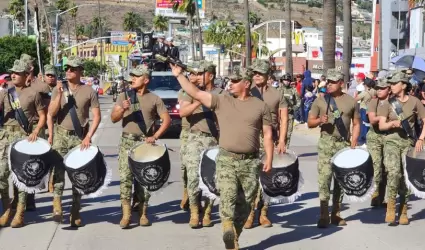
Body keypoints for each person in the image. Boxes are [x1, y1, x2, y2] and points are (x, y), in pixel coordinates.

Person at [170, 63, 273, 249]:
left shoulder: (261, 106)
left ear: (247, 83)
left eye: (235, 81)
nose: (230, 84)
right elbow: (196, 93)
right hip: (226, 159)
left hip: (250, 162)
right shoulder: (222, 100)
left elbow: (267, 134)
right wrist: (179, 76)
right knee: (228, 196)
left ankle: (234, 234)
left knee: (247, 203)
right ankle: (227, 227)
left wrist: (270, 159)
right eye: (230, 80)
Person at [111, 64, 171, 228]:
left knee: (144, 180)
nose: (132, 79)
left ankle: (143, 213)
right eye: (132, 76)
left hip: (144, 143)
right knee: (125, 178)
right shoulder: (124, 95)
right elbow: (113, 118)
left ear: (146, 80)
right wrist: (122, 109)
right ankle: (126, 215)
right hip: (126, 142)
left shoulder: (154, 99)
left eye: (136, 77)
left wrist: (155, 136)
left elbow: (166, 120)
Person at [47, 56, 101, 226]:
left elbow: (97, 116)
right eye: (67, 68)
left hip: (79, 137)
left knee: (79, 176)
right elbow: (52, 112)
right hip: (61, 134)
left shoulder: (89, 91)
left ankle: (75, 211)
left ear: (80, 71)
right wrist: (59, 95)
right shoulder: (58, 89)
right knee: (58, 172)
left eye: (72, 68)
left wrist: (88, 136)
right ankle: (57, 205)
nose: (68, 71)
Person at [307, 68, 360, 228]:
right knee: (324, 178)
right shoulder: (320, 101)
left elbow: (356, 124)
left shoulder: (351, 101)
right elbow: (310, 123)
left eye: (332, 82)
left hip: (342, 144)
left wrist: (354, 141)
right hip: (326, 143)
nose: (328, 84)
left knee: (340, 180)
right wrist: (320, 121)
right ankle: (323, 213)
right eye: (327, 81)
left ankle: (336, 213)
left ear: (341, 83)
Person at [0, 59, 46, 228]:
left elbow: (42, 116)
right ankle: (7, 209)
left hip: (22, 139)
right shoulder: (6, 92)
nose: (13, 75)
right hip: (5, 138)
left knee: (21, 178)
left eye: (17, 73)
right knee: (2, 175)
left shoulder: (33, 93)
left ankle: (19, 213)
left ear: (26, 75)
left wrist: (35, 131)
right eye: (12, 72)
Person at [243, 59, 288, 229]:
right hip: (251, 137)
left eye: (259, 73)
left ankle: (263, 213)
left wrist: (282, 140)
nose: (256, 76)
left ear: (267, 75)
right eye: (254, 73)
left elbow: (284, 118)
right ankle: (249, 213)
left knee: (267, 177)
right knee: (251, 177)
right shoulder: (247, 91)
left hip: (271, 138)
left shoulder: (277, 94)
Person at [377, 71, 425, 225]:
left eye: (394, 83)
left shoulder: (415, 101)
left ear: (403, 85)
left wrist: (421, 139)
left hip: (408, 142)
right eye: (390, 84)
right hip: (391, 140)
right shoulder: (387, 103)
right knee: (393, 172)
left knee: (406, 176)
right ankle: (391, 207)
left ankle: (403, 210)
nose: (391, 86)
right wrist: (392, 124)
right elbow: (382, 125)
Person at [180, 60, 223, 228]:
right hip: (194, 138)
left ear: (210, 75)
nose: (196, 76)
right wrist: (200, 99)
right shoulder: (191, 92)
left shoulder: (222, 93)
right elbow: (183, 112)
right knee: (192, 177)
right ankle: (194, 212)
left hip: (214, 140)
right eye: (196, 74)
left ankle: (208, 212)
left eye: (200, 73)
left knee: (211, 178)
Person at [366, 78, 390, 207]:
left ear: (389, 89)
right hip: (375, 137)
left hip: (389, 137)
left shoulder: (393, 103)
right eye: (378, 88)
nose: (379, 91)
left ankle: (382, 196)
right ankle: (375, 194)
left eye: (382, 88)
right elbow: (372, 120)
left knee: (386, 168)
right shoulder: (373, 102)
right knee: (376, 167)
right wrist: (385, 119)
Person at [178, 66, 199, 211]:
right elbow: (184, 111)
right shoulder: (184, 91)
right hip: (187, 131)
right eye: (190, 74)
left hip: (207, 132)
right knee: (186, 167)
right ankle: (187, 191)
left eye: (195, 74)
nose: (192, 76)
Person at [279, 73, 301, 147]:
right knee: (279, 133)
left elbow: (298, 101)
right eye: (285, 80)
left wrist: (294, 108)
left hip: (289, 115)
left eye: (288, 80)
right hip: (279, 115)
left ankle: (286, 148)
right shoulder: (278, 90)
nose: (287, 82)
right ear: (282, 81)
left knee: (288, 133)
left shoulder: (293, 90)